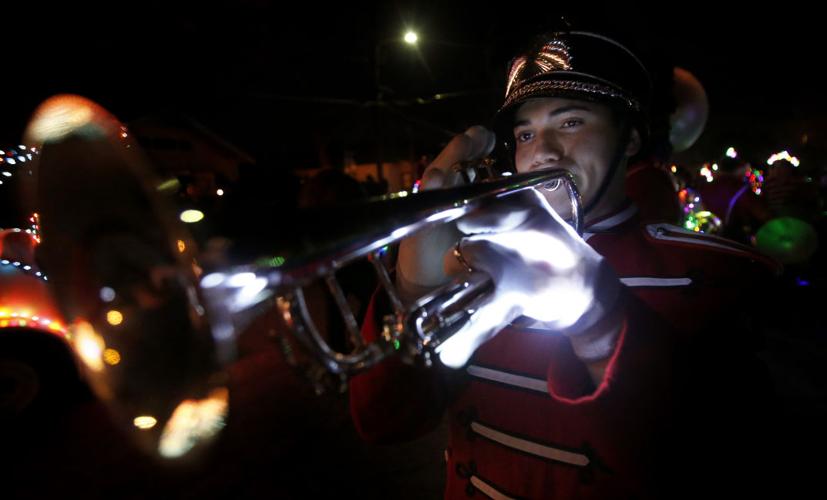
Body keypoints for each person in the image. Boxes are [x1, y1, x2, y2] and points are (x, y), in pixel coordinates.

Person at [350, 30, 781, 498]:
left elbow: (730, 458)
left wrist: (601, 323)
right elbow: (382, 422)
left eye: (571, 122)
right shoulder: (477, 264)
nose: (544, 152)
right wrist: (412, 290)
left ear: (631, 138)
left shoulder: (716, 274)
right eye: (526, 133)